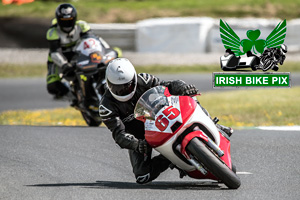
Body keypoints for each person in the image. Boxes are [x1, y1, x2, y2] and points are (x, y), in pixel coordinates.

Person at [99, 58, 232, 184]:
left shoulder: (144, 80)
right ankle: (170, 158)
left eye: (127, 86)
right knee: (142, 176)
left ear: (134, 78)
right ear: (108, 84)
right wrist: (136, 144)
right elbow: (119, 135)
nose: (123, 91)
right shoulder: (106, 107)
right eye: (118, 88)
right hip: (140, 137)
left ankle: (213, 124)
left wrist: (181, 87)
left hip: (160, 115)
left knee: (188, 94)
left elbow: (166, 86)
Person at [46, 3, 118, 99]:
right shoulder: (52, 32)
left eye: (69, 21)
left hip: (79, 53)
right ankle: (74, 97)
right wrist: (64, 65)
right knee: (52, 85)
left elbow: (94, 41)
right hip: (60, 58)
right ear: (58, 20)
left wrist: (104, 52)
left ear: (74, 18)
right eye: (64, 21)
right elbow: (55, 52)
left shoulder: (82, 25)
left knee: (111, 57)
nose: (67, 24)